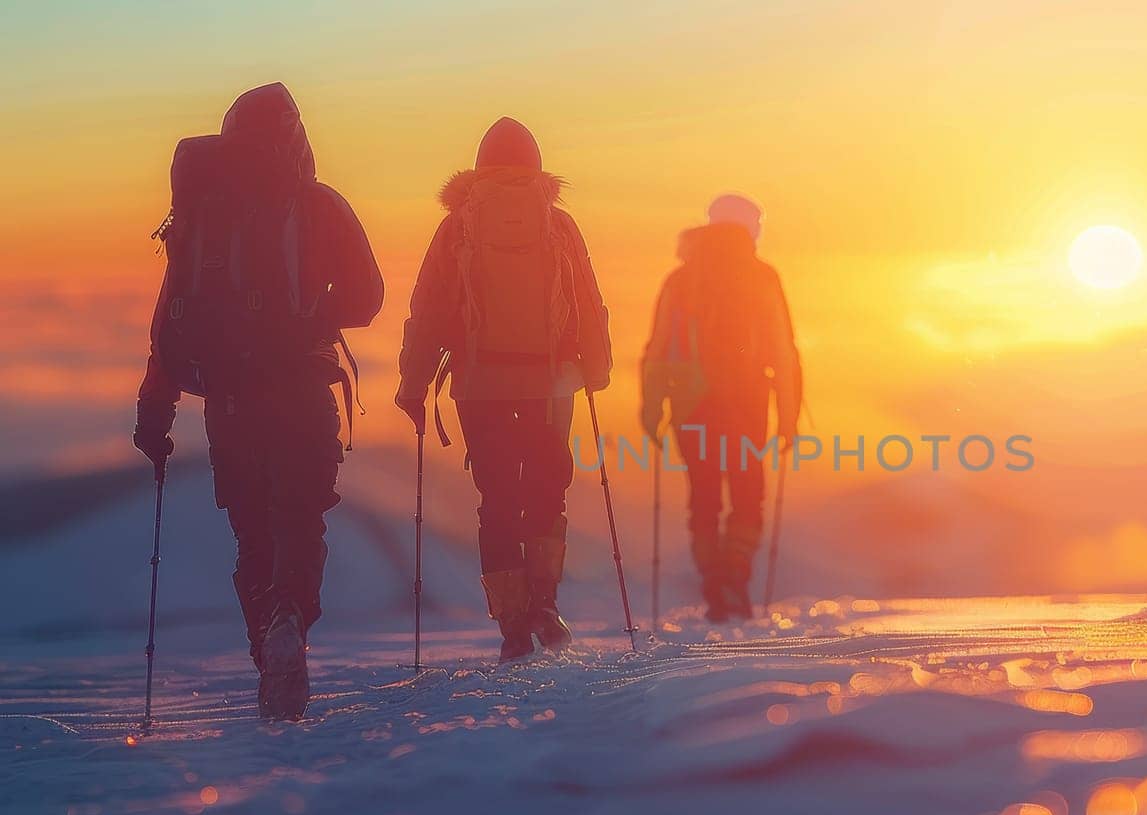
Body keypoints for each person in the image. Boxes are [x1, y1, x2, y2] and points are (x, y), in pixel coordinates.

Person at [133, 83, 384, 720]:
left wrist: (154, 410)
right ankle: (289, 622)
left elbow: (172, 320)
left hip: (228, 401)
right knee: (301, 519)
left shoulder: (200, 211)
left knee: (251, 535)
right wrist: (316, 315)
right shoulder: (317, 204)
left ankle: (265, 653)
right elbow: (368, 296)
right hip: (300, 388)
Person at [395, 117, 613, 662]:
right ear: (538, 168)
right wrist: (597, 368)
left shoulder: (457, 228)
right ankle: (545, 603)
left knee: (497, 499)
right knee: (546, 489)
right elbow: (588, 300)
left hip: (480, 382)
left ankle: (512, 626)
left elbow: (427, 310)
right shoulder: (558, 224)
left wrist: (413, 383)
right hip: (551, 380)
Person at [640, 194, 802, 621]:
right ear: (750, 227)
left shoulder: (682, 278)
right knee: (748, 498)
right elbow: (784, 352)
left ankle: (715, 584)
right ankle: (735, 580)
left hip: (691, 405)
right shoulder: (762, 276)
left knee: (705, 497)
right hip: (749, 404)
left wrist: (651, 408)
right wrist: (789, 415)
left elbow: (657, 348)